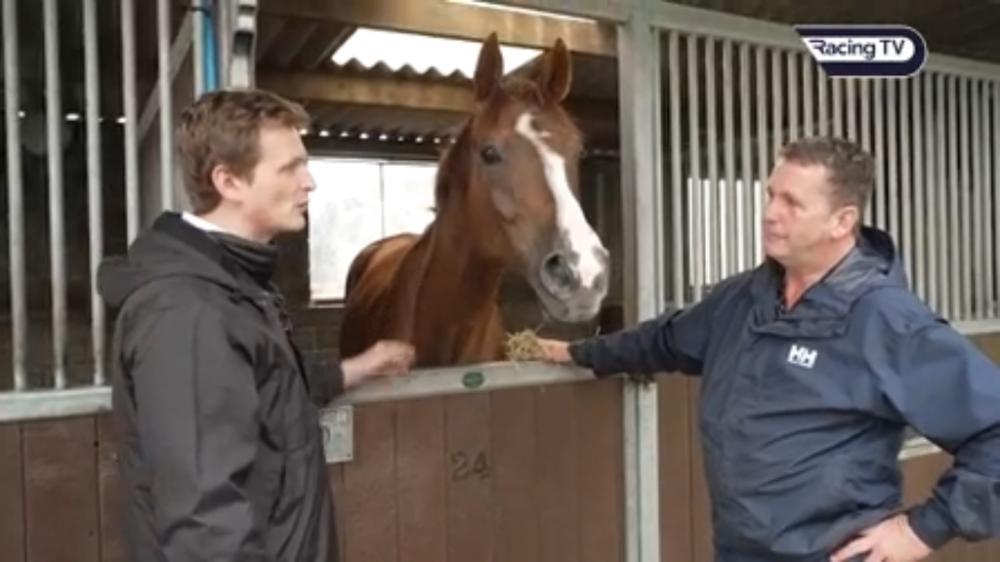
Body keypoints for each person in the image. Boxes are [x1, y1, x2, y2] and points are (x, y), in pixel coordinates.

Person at [539, 137, 1000, 561]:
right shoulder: (742, 299)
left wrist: (922, 530)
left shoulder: (885, 319)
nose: (770, 213)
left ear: (842, 221)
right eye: (770, 195)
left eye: (792, 203)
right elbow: (663, 340)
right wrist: (579, 353)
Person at [98, 89, 415, 562]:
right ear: (229, 182)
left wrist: (356, 369)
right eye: (290, 168)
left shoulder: (234, 286)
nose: (309, 182)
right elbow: (205, 526)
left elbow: (270, 390)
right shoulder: (190, 313)